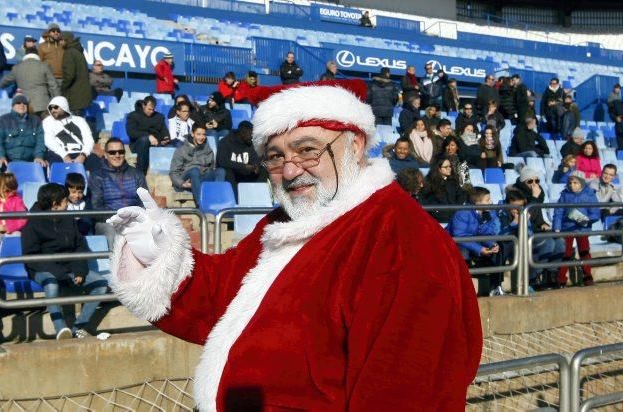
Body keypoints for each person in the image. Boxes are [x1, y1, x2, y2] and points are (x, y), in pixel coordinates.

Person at [105, 79, 481, 410]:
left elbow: (407, 394)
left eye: (307, 150)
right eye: (275, 156)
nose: (289, 170)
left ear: (355, 146)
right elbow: (225, 292)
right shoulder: (291, 219)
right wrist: (157, 254)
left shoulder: (401, 241)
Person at [21, 183, 108, 339]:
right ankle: (60, 328)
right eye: (65, 200)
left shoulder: (68, 219)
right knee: (51, 283)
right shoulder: (33, 223)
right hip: (43, 269)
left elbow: (79, 246)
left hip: (69, 268)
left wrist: (80, 270)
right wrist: (61, 274)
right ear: (55, 204)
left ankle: (78, 327)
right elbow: (32, 257)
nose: (68, 203)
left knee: (100, 284)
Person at [499, 188, 563, 291]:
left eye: (520, 206)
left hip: (525, 241)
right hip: (511, 245)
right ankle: (534, 278)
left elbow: (529, 233)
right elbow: (502, 236)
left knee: (558, 242)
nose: (517, 210)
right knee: (543, 244)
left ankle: (550, 276)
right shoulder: (502, 213)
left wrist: (524, 222)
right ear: (508, 204)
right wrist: (514, 224)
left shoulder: (523, 212)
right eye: (514, 207)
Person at [89, 138, 148, 246]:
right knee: (113, 233)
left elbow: (145, 202)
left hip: (133, 219)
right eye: (112, 152)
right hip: (108, 220)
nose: (117, 155)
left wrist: (132, 218)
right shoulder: (97, 176)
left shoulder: (137, 174)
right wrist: (118, 218)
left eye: (121, 152)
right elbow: (96, 207)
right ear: (106, 155)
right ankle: (115, 263)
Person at [447, 186, 504, 296]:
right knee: (463, 252)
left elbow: (486, 233)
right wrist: (480, 249)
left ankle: (495, 286)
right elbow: (459, 236)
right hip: (456, 243)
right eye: (487, 200)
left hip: (473, 241)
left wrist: (492, 244)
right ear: (478, 203)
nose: (491, 202)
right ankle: (461, 287)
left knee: (498, 249)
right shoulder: (462, 213)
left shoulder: (487, 214)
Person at [553, 172, 599, 288]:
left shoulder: (590, 194)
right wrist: (557, 227)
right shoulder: (564, 194)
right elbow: (558, 212)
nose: (572, 185)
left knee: (584, 252)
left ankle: (587, 276)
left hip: (582, 228)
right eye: (570, 182)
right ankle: (561, 279)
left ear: (582, 183)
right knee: (565, 253)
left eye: (575, 183)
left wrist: (587, 220)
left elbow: (595, 212)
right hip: (567, 228)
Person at [169, 124, 225, 203]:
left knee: (220, 171)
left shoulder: (208, 150)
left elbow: (211, 168)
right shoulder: (181, 150)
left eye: (204, 134)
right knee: (194, 171)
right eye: (198, 134)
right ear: (192, 134)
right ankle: (201, 204)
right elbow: (173, 172)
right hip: (186, 179)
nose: (201, 137)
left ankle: (217, 200)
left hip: (201, 178)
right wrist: (182, 184)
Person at [0, 95, 48, 167]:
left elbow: (40, 141)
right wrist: (1, 156)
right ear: (12, 106)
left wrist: (39, 156)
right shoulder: (3, 120)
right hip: (9, 161)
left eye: (24, 103)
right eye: (18, 103)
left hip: (32, 161)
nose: (22, 105)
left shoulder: (36, 120)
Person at [0, 49, 59, 116]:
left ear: (25, 55)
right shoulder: (44, 66)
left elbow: (2, 83)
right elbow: (54, 86)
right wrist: (58, 102)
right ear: (37, 55)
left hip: (24, 105)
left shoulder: (17, 68)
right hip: (42, 104)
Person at [42, 96, 95, 170]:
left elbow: (89, 140)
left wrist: (83, 155)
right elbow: (49, 141)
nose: (53, 110)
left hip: (80, 152)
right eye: (50, 108)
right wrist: (65, 156)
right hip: (59, 153)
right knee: (57, 164)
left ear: (64, 107)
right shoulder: (48, 121)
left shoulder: (80, 120)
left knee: (96, 162)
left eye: (56, 107)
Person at [0, 172, 27, 258]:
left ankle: (14, 263)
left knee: (17, 236)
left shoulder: (17, 200)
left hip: (12, 231)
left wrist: (8, 227)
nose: (7, 193)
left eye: (9, 190)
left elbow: (22, 218)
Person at [126, 96, 171, 173]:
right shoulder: (133, 116)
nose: (151, 111)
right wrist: (148, 136)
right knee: (145, 140)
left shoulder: (159, 117)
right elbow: (132, 132)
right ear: (143, 105)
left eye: (153, 109)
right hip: (138, 144)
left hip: (156, 143)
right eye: (149, 109)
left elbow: (164, 130)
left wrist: (166, 138)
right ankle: (140, 172)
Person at [216, 121, 264, 189]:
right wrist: (244, 166)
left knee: (263, 171)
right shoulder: (224, 142)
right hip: (232, 175)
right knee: (227, 172)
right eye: (251, 134)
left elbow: (255, 158)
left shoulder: (251, 143)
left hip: (246, 174)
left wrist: (256, 166)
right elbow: (222, 162)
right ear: (242, 133)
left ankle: (258, 196)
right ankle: (234, 198)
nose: (253, 137)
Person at [420, 156, 467, 223]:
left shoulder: (453, 181)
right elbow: (426, 200)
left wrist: (456, 209)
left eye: (450, 166)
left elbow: (461, 195)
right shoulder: (429, 182)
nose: (449, 169)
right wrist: (437, 212)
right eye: (446, 167)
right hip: (437, 218)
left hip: (454, 216)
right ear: (438, 169)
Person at [59, 32, 92, 114]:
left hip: (74, 94)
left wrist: (62, 87)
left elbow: (69, 75)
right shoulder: (78, 51)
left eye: (61, 40)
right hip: (82, 93)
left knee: (75, 121)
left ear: (66, 40)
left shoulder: (69, 52)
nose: (59, 42)